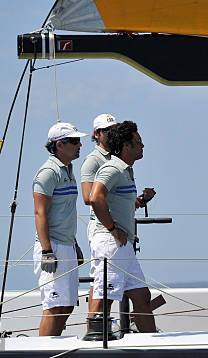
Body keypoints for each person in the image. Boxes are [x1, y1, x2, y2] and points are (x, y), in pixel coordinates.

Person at [89, 121, 157, 333]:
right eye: (138, 142)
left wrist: (142, 201)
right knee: (104, 299)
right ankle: (95, 342)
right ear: (126, 146)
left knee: (142, 297)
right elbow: (95, 197)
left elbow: (118, 204)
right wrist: (112, 228)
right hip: (112, 243)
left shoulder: (126, 171)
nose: (142, 146)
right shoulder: (112, 168)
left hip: (122, 244)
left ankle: (152, 345)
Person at [33, 122, 87, 336]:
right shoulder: (48, 172)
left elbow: (64, 212)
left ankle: (53, 346)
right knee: (54, 307)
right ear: (59, 145)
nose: (80, 144)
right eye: (74, 141)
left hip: (67, 245)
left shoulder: (68, 169)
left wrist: (74, 245)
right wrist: (47, 251)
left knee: (67, 305)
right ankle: (44, 352)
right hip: (52, 247)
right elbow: (40, 213)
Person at [80, 113, 118, 318]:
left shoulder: (114, 158)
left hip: (113, 226)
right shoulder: (93, 160)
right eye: (108, 131)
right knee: (102, 282)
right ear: (97, 134)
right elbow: (88, 197)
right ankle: (94, 329)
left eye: (114, 130)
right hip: (102, 228)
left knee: (109, 284)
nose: (112, 134)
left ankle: (102, 327)